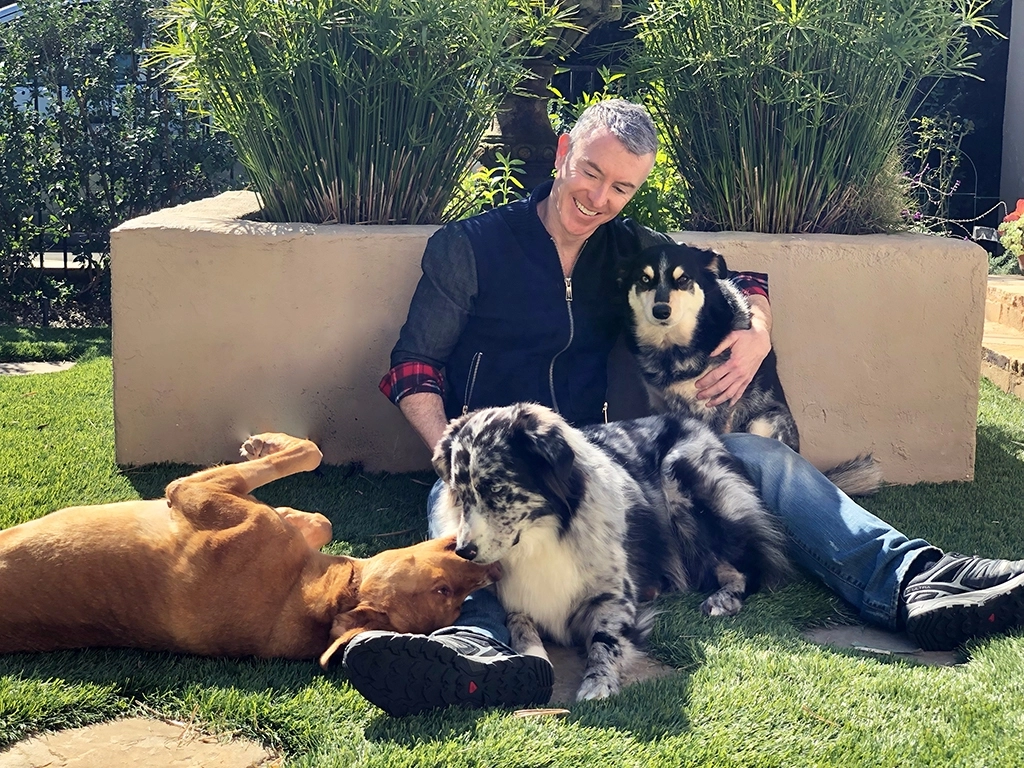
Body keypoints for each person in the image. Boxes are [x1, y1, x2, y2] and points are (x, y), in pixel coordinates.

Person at [341, 99, 1024, 717]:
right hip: (486, 459)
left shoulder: (628, 249)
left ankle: (913, 579)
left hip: (592, 457)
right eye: (590, 174)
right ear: (561, 153)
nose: (599, 198)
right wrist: (452, 460)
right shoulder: (470, 248)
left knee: (757, 457)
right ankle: (478, 650)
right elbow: (413, 367)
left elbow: (740, 279)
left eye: (621, 188)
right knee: (451, 503)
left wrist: (758, 332)